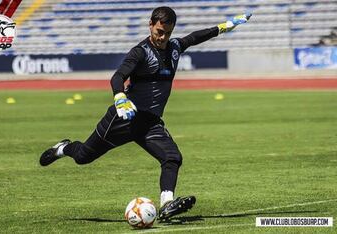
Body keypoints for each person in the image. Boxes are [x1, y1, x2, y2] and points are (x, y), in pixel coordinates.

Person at [40, 6, 251, 220]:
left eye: (168, 33)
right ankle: (64, 148)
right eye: (159, 31)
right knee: (84, 157)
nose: (163, 37)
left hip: (150, 123)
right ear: (150, 25)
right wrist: (119, 97)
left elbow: (196, 37)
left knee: (172, 157)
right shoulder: (140, 52)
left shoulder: (175, 46)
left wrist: (225, 27)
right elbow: (117, 76)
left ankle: (167, 204)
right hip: (124, 118)